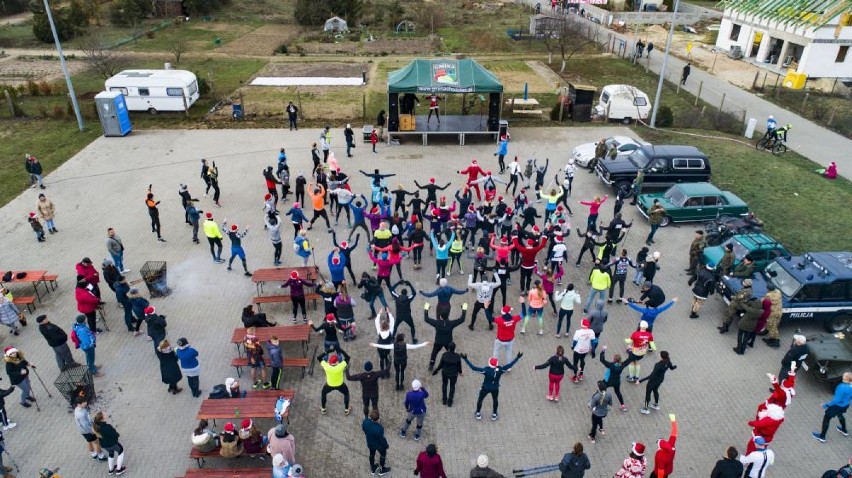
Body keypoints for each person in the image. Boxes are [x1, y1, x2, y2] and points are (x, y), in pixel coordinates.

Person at [463, 352, 523, 421]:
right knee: (495, 400)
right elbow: (510, 365)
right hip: (495, 388)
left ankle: (478, 413)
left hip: (485, 388)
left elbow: (474, 368)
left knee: (480, 399)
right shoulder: (500, 370)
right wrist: (517, 357)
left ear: (489, 363)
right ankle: (494, 415)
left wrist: (466, 359)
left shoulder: (486, 370)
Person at [423, 301, 468, 371]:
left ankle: (431, 365)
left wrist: (426, 309)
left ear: (440, 317)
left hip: (438, 342)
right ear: (447, 316)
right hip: (448, 342)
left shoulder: (437, 323)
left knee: (434, 353)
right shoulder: (451, 323)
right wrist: (464, 310)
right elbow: (461, 319)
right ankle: (453, 364)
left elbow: (427, 319)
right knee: (451, 353)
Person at [812, 372, 851, 443]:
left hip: (836, 406)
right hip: (845, 405)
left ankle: (822, 437)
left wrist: (826, 405)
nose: (842, 376)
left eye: (844, 376)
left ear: (846, 378)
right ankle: (844, 430)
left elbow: (836, 400)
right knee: (840, 415)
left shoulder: (841, 387)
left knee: (826, 419)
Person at [318, 348, 352, 415]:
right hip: (340, 384)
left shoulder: (326, 366)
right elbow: (348, 357)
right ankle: (346, 409)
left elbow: (319, 358)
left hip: (329, 385)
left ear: (330, 362)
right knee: (346, 394)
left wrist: (328, 351)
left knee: (323, 394)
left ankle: (323, 409)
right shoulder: (341, 365)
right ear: (337, 362)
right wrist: (341, 350)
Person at [75, 397, 107, 461]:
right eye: (83, 403)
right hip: (89, 431)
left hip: (83, 431)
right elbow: (85, 425)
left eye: (85, 402)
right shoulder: (81, 414)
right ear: (79, 404)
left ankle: (93, 454)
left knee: (89, 441)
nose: (85, 403)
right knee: (96, 442)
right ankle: (100, 456)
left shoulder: (77, 409)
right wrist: (93, 431)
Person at [432, 342, 462, 406]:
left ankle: (444, 399)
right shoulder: (457, 356)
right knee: (452, 386)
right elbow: (459, 366)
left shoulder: (444, 355)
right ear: (454, 348)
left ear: (448, 348)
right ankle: (450, 401)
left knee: (444, 385)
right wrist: (460, 372)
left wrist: (436, 370)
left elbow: (441, 364)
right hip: (453, 374)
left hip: (445, 373)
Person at [362, 410, 391, 476]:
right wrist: (386, 445)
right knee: (383, 454)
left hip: (370, 443)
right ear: (378, 419)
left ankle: (373, 468)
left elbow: (363, 428)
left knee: (372, 454)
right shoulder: (379, 428)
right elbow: (381, 439)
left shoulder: (365, 422)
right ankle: (382, 470)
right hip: (379, 445)